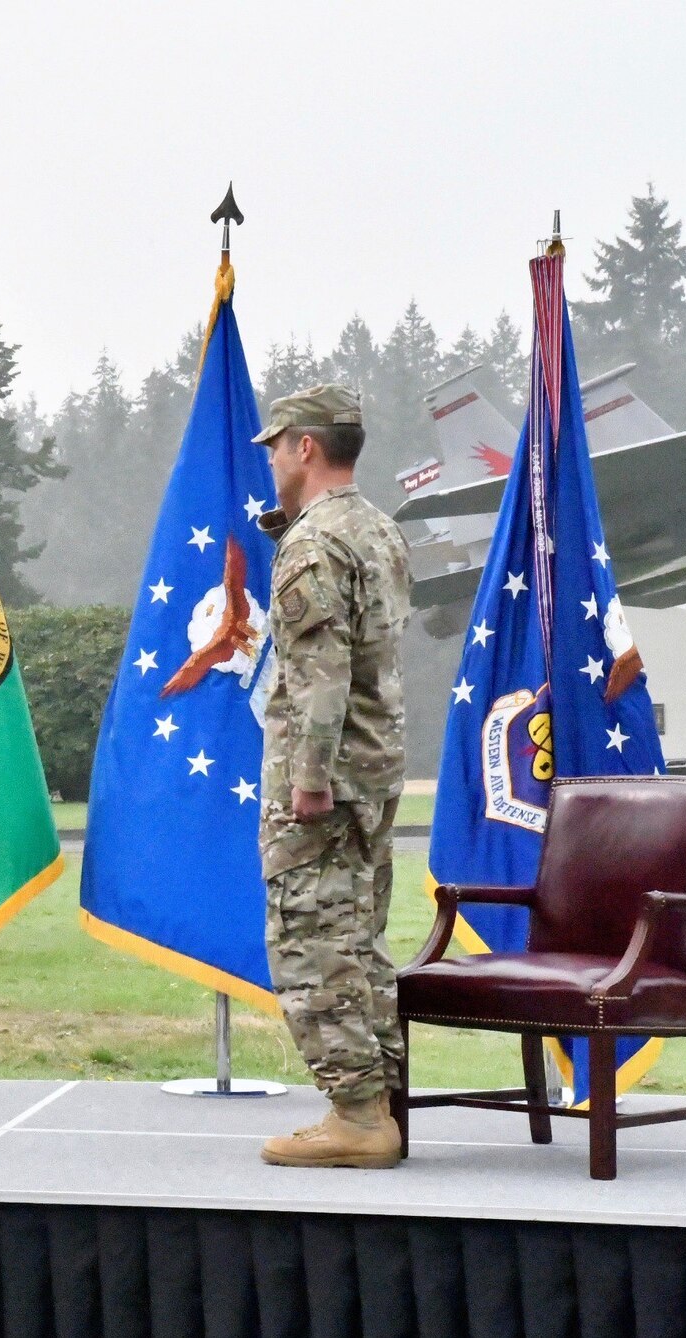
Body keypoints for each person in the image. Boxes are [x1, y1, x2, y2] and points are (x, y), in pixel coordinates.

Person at [251, 384, 412, 1169]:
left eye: (277, 445)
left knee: (311, 940)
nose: (273, 460)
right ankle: (379, 1102)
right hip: (377, 769)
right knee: (361, 938)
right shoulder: (376, 528)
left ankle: (357, 1113)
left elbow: (321, 668)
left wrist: (308, 777)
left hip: (327, 778)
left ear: (306, 447)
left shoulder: (315, 545)